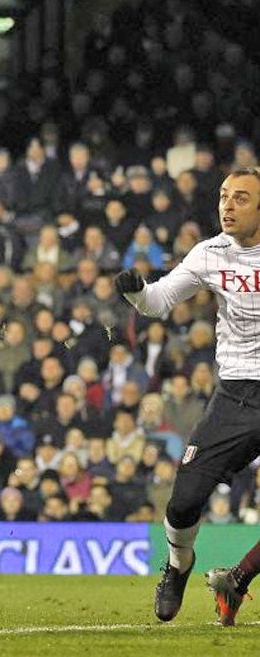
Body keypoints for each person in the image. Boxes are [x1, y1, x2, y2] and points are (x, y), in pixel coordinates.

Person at [114, 166, 260, 624]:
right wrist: (137, 293)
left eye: (241, 198)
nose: (227, 206)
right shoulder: (210, 253)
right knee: (181, 504)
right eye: (224, 196)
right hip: (236, 395)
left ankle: (239, 579)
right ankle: (179, 566)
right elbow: (158, 301)